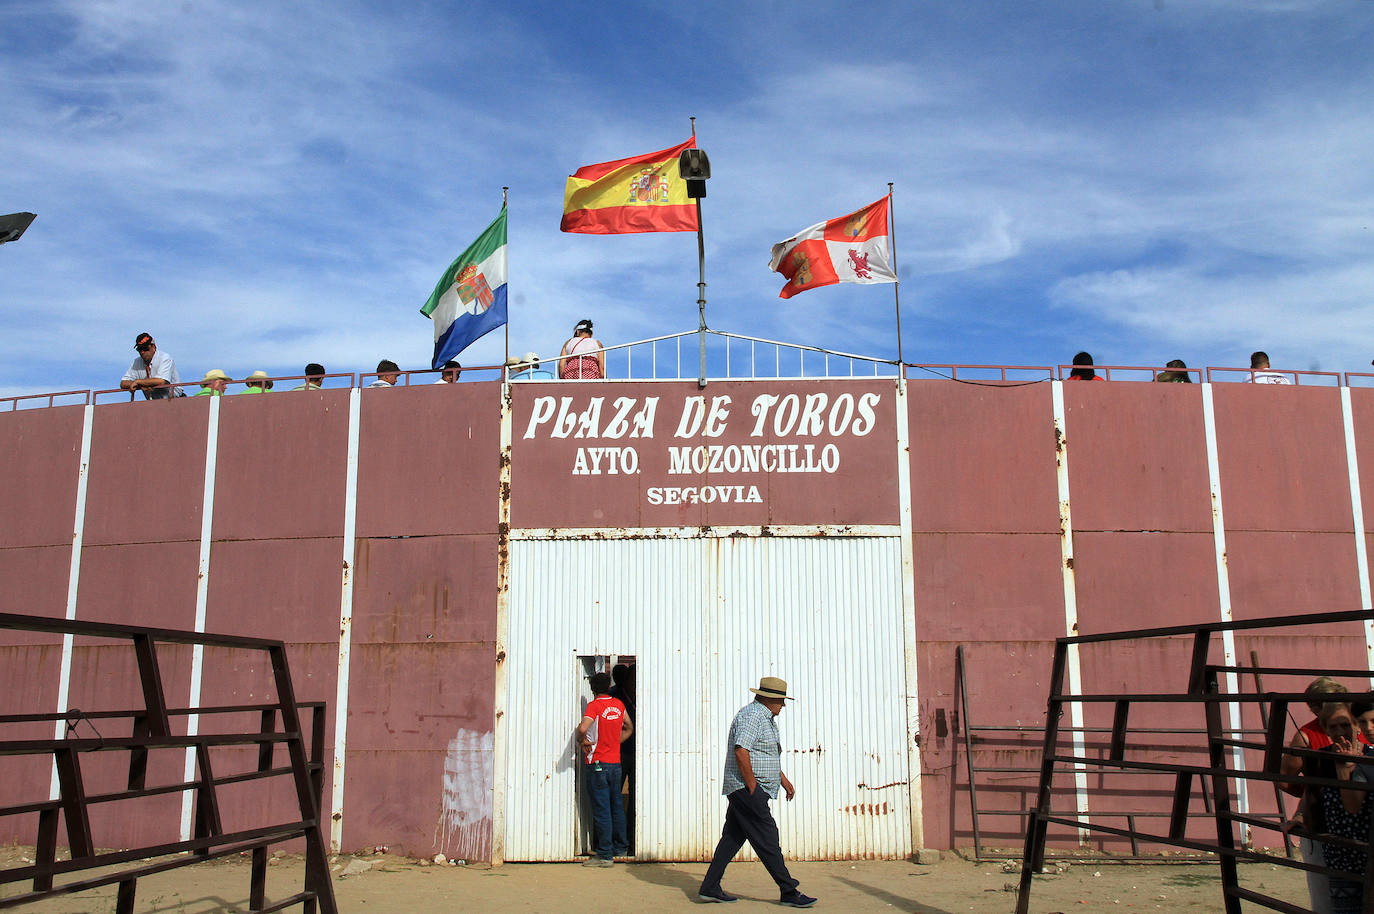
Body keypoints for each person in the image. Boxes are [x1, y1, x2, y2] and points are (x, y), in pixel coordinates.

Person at [698, 677, 816, 908]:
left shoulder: (765, 718)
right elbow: (741, 750)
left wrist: (782, 779)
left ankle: (710, 887)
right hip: (746, 789)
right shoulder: (752, 717)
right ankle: (789, 890)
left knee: (732, 838)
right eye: (780, 701)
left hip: (751, 788)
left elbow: (765, 755)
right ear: (768, 698)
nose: (783, 705)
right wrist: (752, 786)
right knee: (768, 838)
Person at [1302, 702, 1374, 914]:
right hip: (1341, 848)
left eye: (1345, 725)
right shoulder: (1323, 758)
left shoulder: (1367, 758)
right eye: (1333, 727)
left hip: (1364, 841)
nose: (1340, 731)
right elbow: (1311, 793)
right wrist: (1299, 816)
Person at [575, 671, 632, 867]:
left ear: (592, 689)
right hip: (615, 762)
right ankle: (621, 847)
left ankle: (605, 854)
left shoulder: (594, 706)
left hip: (598, 762)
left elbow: (583, 728)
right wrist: (615, 742)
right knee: (616, 805)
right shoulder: (618, 705)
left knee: (602, 809)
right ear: (609, 686)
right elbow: (629, 727)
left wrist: (582, 740)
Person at [609, 664, 637, 851]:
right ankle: (616, 841)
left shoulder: (645, 696)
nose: (635, 683)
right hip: (620, 753)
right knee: (615, 798)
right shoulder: (615, 698)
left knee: (636, 798)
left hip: (639, 754)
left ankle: (633, 839)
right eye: (633, 679)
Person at [120, 332, 182, 399]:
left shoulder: (164, 358)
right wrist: (140, 385)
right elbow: (123, 383)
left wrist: (139, 382)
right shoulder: (137, 362)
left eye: (145, 348)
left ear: (154, 346)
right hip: (154, 404)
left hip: (175, 401)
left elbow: (161, 381)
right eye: (139, 349)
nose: (142, 352)